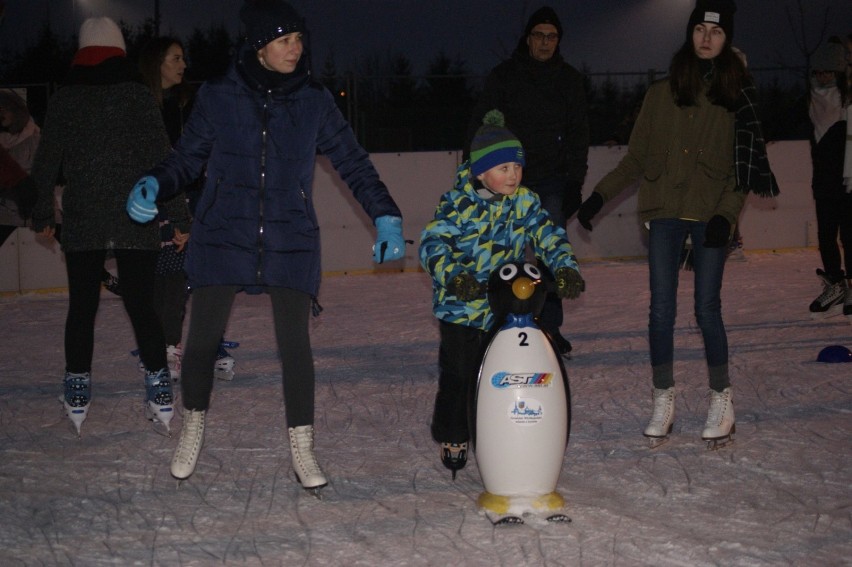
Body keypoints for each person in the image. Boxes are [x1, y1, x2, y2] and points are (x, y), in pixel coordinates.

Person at [126, 0, 406, 490]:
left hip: (290, 235)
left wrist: (385, 214)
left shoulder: (315, 101)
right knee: (201, 342)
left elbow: (353, 163)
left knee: (295, 345)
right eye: (283, 40)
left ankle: (303, 446)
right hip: (221, 233)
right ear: (259, 47)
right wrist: (154, 181)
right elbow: (187, 158)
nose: (295, 48)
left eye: (298, 39)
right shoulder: (217, 96)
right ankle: (192, 425)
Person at [576, 0, 778, 448]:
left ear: (726, 41)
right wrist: (599, 197)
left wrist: (727, 215)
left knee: (707, 309)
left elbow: (740, 170)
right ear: (690, 33)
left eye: (717, 32)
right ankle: (663, 398)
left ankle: (721, 399)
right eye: (701, 29)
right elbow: (638, 159)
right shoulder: (660, 93)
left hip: (709, 215)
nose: (707, 37)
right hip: (664, 213)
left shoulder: (737, 95)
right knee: (660, 311)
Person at [29, 17, 185, 436]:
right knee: (142, 305)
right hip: (135, 217)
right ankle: (160, 389)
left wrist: (41, 214)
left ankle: (77, 387)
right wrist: (182, 219)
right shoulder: (137, 97)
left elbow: (46, 163)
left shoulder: (65, 100)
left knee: (82, 307)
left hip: (84, 218)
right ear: (119, 51)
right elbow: (164, 160)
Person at [420, 110, 584, 477]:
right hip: (460, 308)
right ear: (481, 171)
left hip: (503, 307)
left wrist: (564, 267)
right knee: (460, 374)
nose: (513, 175)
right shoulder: (456, 204)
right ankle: (454, 433)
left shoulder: (524, 202)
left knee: (504, 372)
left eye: (517, 167)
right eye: (504, 168)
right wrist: (456, 278)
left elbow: (547, 234)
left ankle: (502, 428)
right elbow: (432, 245)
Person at [467, 6, 589, 356]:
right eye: (539, 35)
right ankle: (501, 324)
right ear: (528, 38)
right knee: (504, 254)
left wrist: (575, 183)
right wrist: (473, 175)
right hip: (507, 181)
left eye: (552, 37)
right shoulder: (504, 77)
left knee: (550, 255)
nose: (545, 43)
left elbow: (579, 133)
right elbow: (481, 124)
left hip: (552, 180)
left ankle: (549, 328)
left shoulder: (568, 79)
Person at [138, 36, 240, 381]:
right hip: (160, 202)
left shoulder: (188, 103)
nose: (183, 65)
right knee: (170, 277)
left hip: (195, 198)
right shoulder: (143, 106)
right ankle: (166, 346)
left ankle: (211, 343)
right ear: (157, 63)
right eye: (176, 58)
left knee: (212, 272)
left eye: (184, 58)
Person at [806, 40, 851, 319]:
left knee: (850, 235)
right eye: (818, 72)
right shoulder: (811, 100)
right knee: (825, 236)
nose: (822, 77)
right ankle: (836, 284)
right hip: (823, 182)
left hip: (848, 181)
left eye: (828, 72)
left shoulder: (847, 102)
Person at [0, 89, 39, 246]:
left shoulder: (33, 137)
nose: (1, 114)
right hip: (4, 213)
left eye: (4, 109)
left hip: (29, 209)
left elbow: (40, 175)